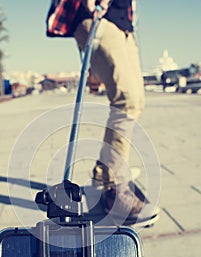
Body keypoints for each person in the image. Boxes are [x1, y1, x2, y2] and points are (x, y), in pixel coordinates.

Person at [46, 0, 146, 222]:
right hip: (100, 16)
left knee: (136, 101)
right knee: (127, 100)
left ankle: (104, 173)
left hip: (123, 23)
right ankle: (113, 183)